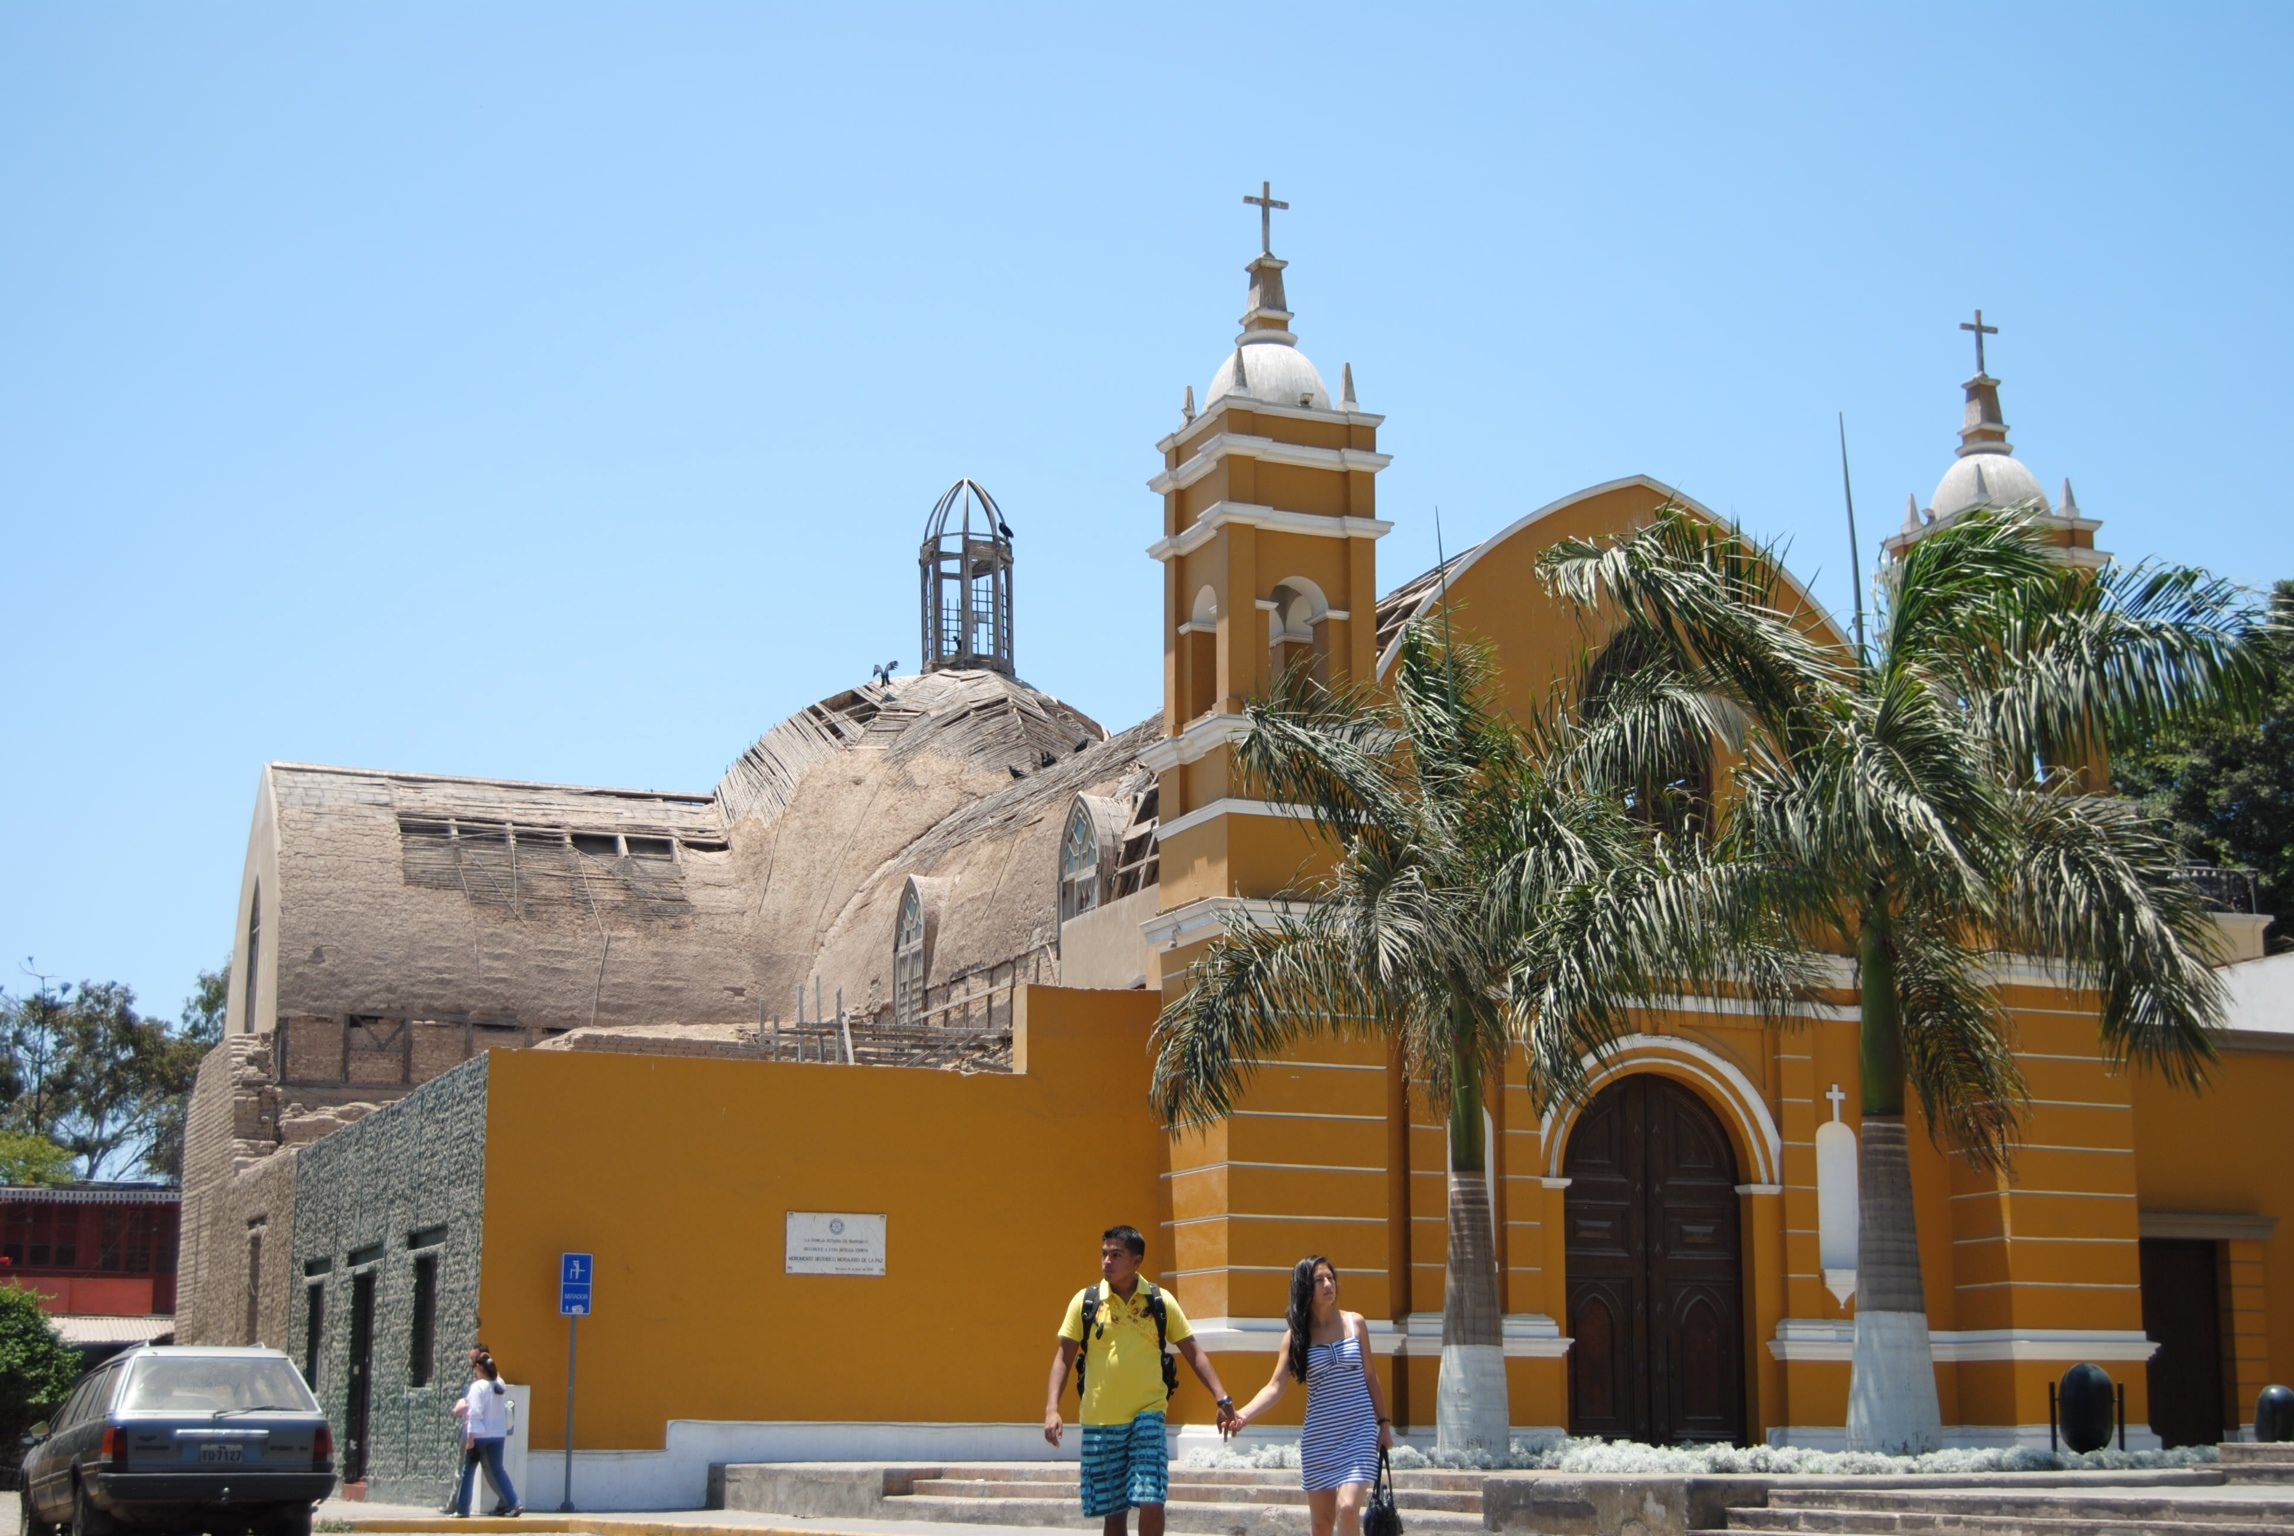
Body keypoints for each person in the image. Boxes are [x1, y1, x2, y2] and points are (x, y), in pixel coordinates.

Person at [1045, 1225, 1239, 1536]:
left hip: (1148, 1414)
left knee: (1152, 1498)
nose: (1107, 1261)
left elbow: (1194, 1352)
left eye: (1116, 1255)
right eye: (1104, 1254)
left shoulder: (1159, 1301)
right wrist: (1052, 1409)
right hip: (1101, 1419)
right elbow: (1063, 1359)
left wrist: (1222, 1397)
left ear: (1136, 1261)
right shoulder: (1086, 1302)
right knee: (1113, 1513)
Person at [1222, 1257, 1393, 1536]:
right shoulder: (1296, 1337)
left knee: (1348, 1508)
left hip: (1358, 1432)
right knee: (1322, 1525)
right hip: (1320, 1438)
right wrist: (1243, 1414)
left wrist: (1383, 1424)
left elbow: (1371, 1378)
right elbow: (1275, 1386)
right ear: (1305, 1287)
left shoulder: (1355, 1323)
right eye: (1319, 1280)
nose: (1328, 1284)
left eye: (1330, 1278)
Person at [452, 1353, 522, 1517]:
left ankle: (462, 1509)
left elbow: (475, 1412)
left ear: (478, 1367)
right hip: (498, 1435)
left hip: (480, 1435)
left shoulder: (478, 1387)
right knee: (498, 1470)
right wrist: (491, 1364)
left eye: (474, 1366)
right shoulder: (498, 1385)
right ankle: (515, 1503)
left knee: (468, 1471)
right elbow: (498, 1377)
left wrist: (470, 1438)